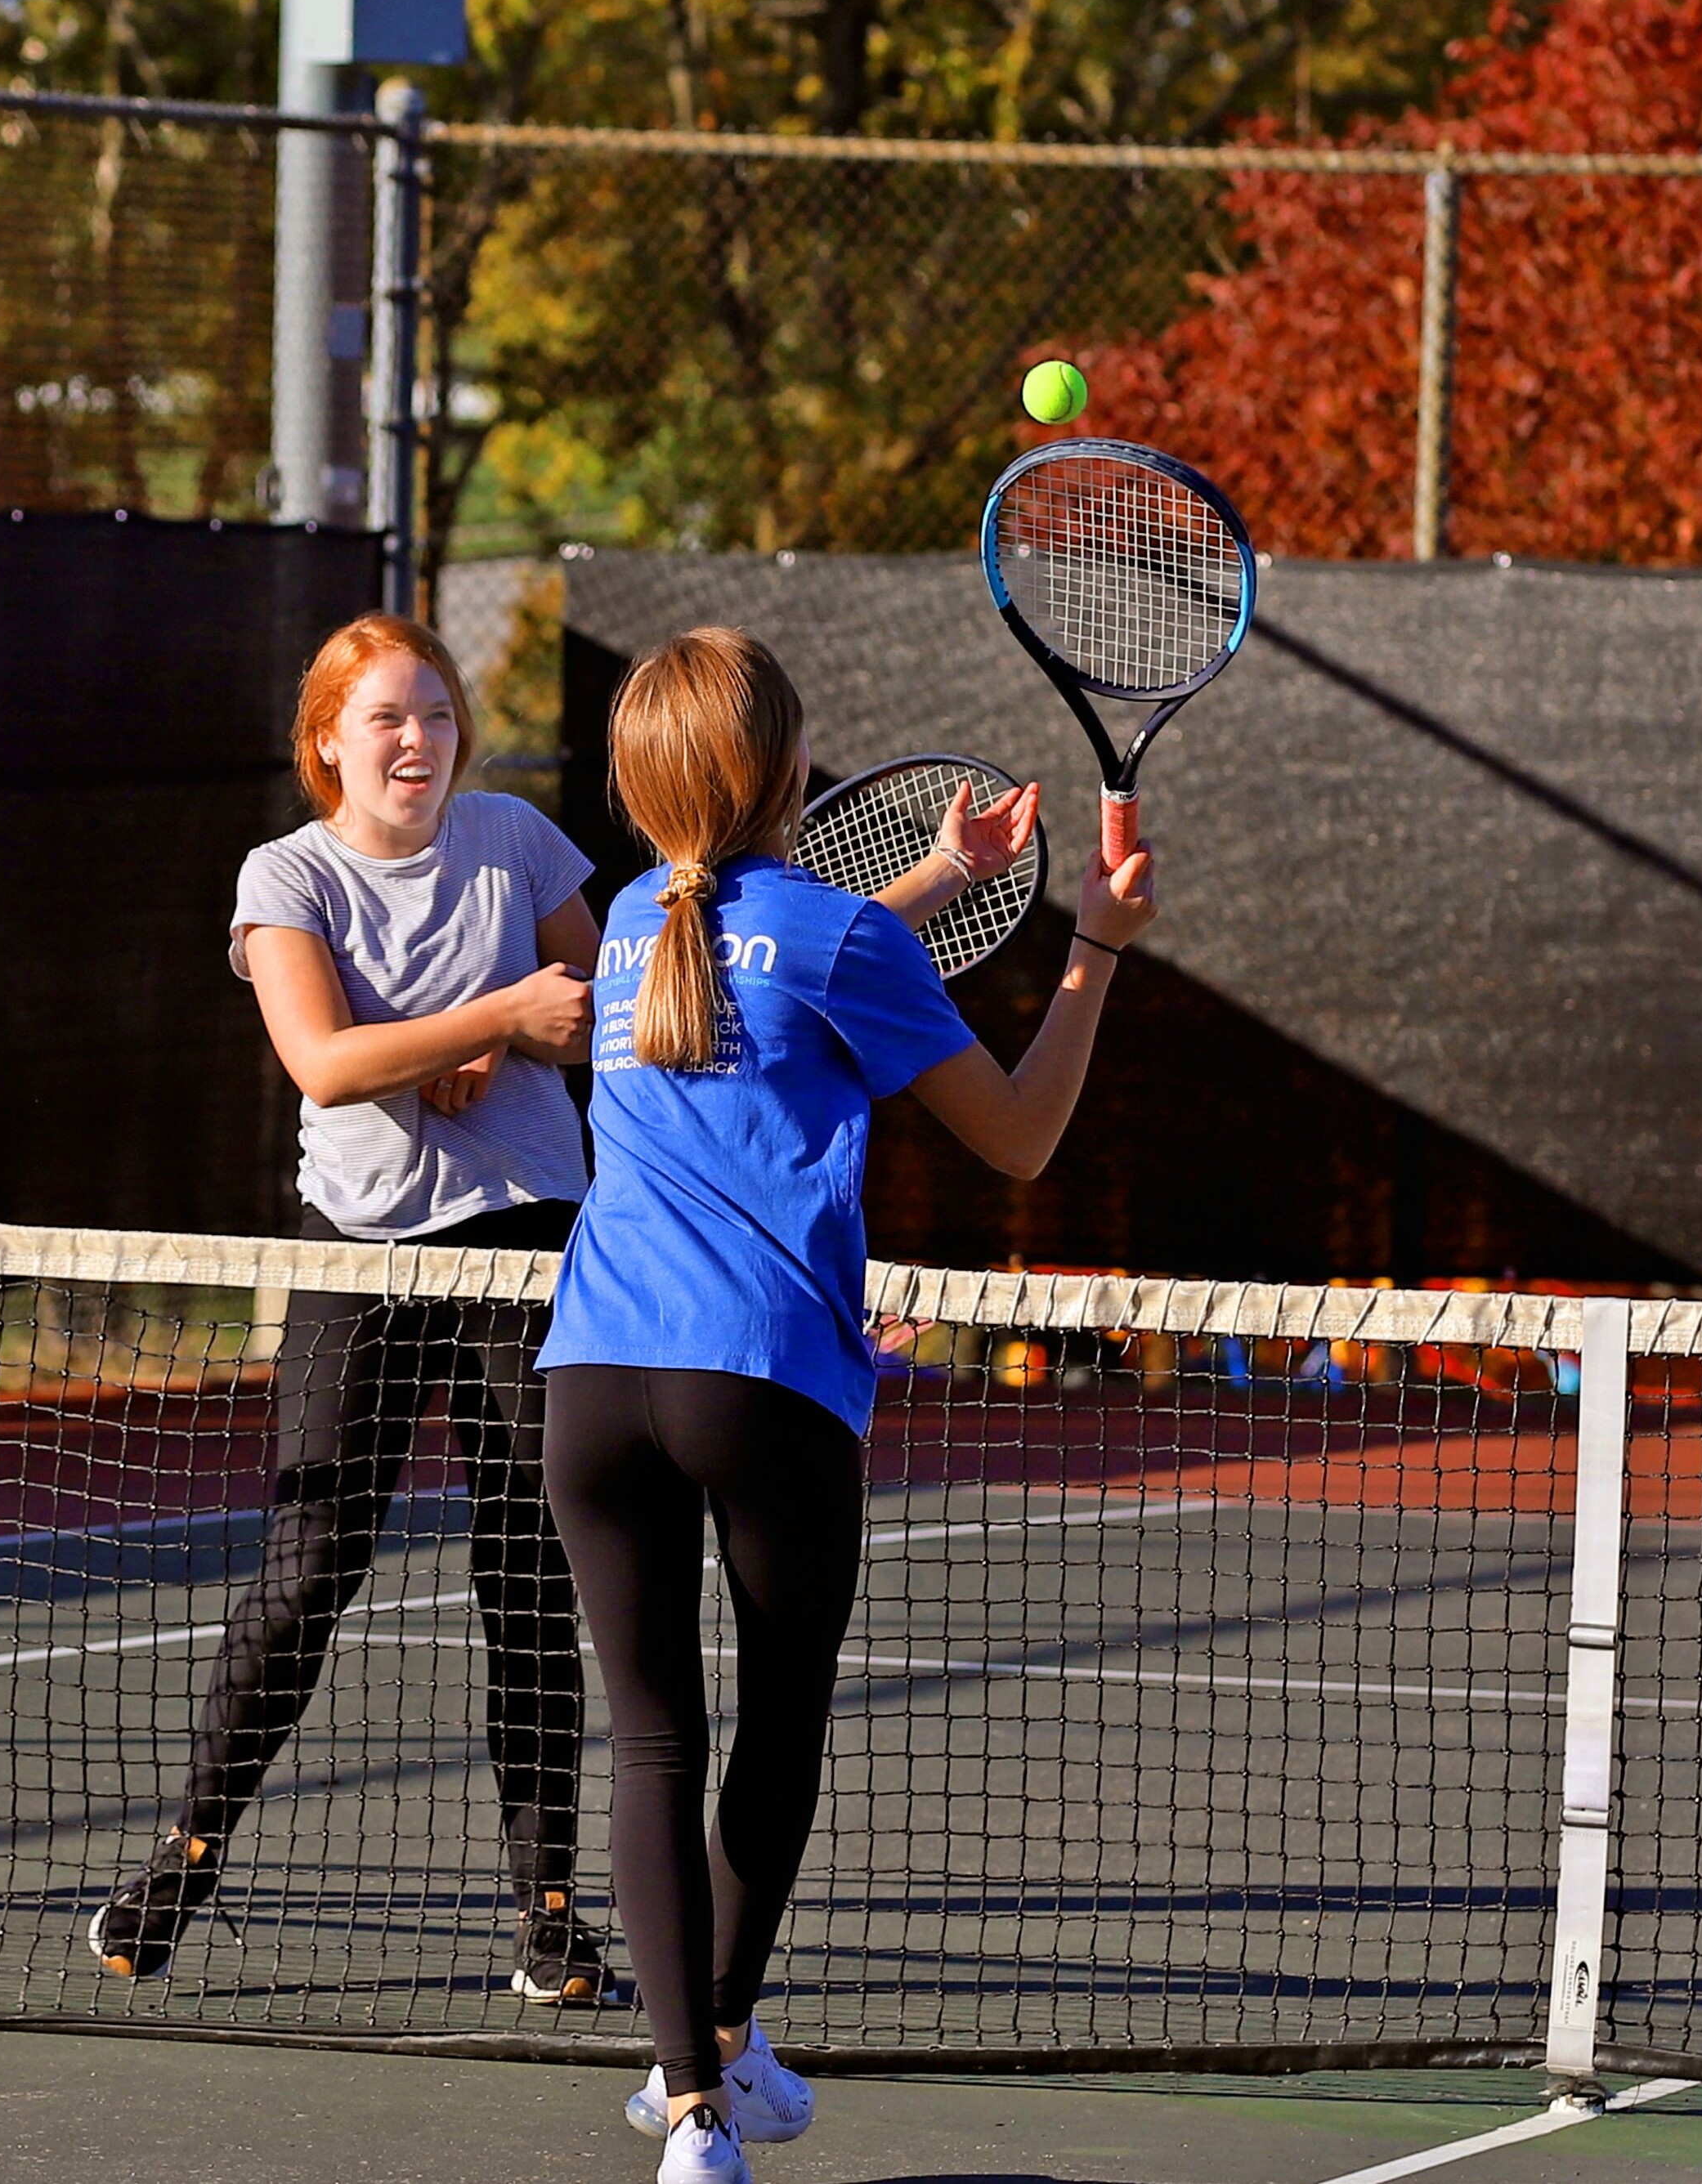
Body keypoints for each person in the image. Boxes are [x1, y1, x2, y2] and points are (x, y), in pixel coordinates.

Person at [94, 613, 1032, 2006]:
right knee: (309, 1563)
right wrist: (489, 1022)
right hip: (360, 1256)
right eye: (386, 717)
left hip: (534, 1250)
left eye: (436, 712)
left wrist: (940, 873)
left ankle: (546, 1908)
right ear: (327, 741)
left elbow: (681, 981)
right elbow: (323, 1061)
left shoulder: (518, 843)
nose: (417, 739)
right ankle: (186, 1853)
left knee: (528, 1580)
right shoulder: (285, 874)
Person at [540, 628, 1149, 2184]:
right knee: (778, 1721)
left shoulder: (634, 920)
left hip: (591, 1385)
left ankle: (690, 2105)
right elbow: (1017, 1136)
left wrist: (941, 876)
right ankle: (719, 2044)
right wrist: (1093, 949)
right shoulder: (827, 938)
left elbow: (769, 962)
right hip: (759, 1382)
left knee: (649, 1741)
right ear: (791, 769)